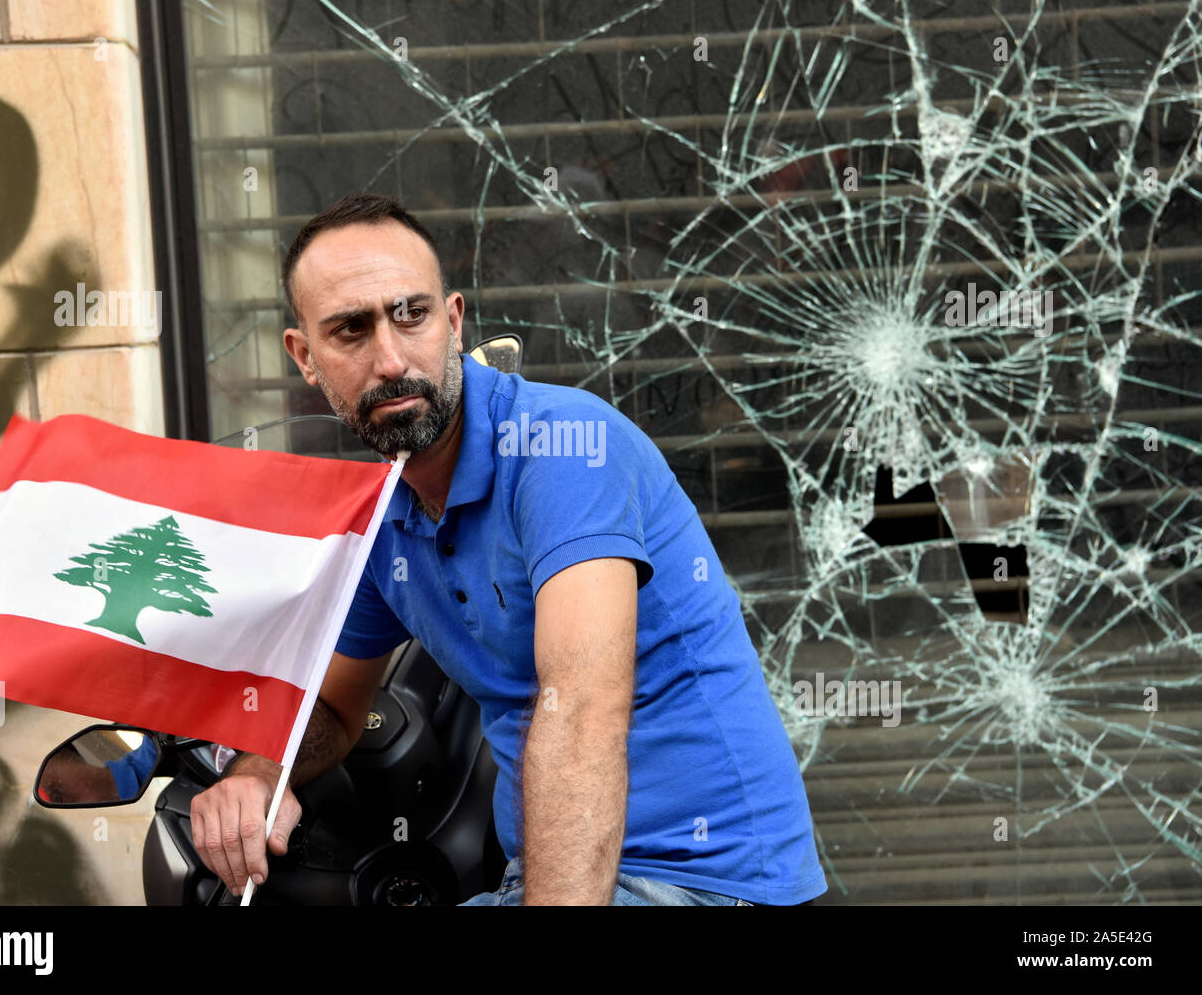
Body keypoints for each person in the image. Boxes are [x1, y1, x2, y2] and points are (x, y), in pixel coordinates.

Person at [189, 192, 827, 906]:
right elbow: (336, 715)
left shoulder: (564, 450)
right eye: (350, 330)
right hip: (555, 878)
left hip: (707, 881)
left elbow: (580, 710)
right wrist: (255, 774)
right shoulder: (383, 520)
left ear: (453, 321)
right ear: (305, 357)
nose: (391, 358)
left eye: (412, 314)